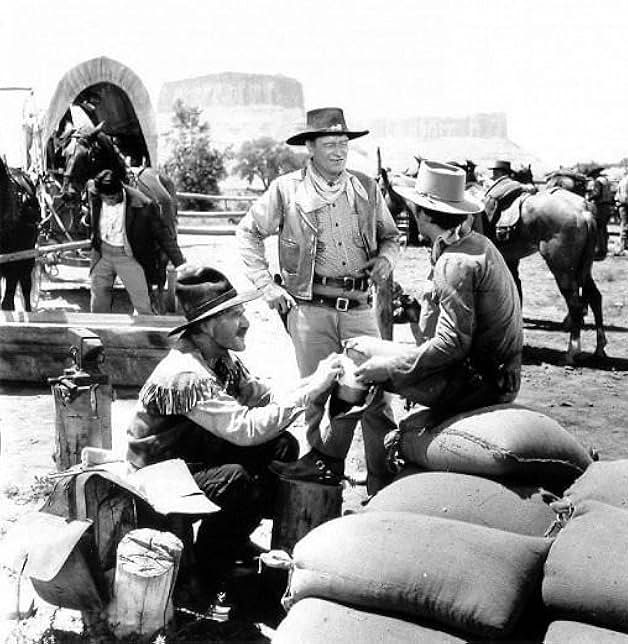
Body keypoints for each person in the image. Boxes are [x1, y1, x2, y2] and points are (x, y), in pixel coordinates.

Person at [126, 264, 343, 596]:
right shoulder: (186, 373)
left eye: (242, 311)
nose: (246, 322)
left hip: (192, 457)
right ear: (208, 326)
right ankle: (206, 576)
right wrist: (310, 391)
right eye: (235, 315)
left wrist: (315, 381)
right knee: (236, 480)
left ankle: (232, 541)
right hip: (157, 474)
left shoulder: (219, 358)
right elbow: (245, 430)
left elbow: (264, 398)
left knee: (281, 446)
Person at [235, 107, 401, 494]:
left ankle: (383, 482)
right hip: (309, 308)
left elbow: (392, 237)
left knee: (377, 395)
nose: (339, 152)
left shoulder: (365, 187)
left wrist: (386, 261)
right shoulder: (286, 189)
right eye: (330, 144)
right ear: (310, 148)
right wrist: (268, 287)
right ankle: (324, 478)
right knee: (318, 393)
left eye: (343, 144)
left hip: (359, 307)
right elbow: (248, 233)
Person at [348, 160, 522, 425]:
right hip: (491, 374)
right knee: (365, 354)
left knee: (358, 353)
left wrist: (392, 368)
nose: (411, 213)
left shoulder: (454, 262)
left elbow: (451, 345)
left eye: (414, 209)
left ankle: (347, 459)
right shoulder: (475, 244)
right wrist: (416, 312)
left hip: (478, 383)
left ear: (426, 215)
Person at [87, 169, 185, 314]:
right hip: (102, 254)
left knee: (142, 302)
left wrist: (180, 263)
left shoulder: (143, 205)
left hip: (127, 256)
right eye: (105, 198)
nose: (108, 202)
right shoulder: (94, 192)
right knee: (98, 299)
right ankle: (99, 334)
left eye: (112, 198)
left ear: (121, 190)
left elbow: (163, 235)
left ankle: (149, 334)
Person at [587, 167, 613, 260]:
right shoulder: (606, 180)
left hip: (600, 206)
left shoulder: (597, 182)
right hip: (607, 206)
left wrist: (588, 198)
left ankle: (599, 250)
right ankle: (604, 248)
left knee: (598, 229)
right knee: (603, 228)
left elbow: (596, 193)